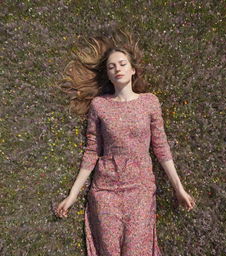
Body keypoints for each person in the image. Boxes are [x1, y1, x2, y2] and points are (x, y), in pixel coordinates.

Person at [55, 28, 196, 256]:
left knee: (135, 250)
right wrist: (72, 195)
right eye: (111, 66)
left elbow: (160, 148)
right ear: (108, 75)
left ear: (133, 70)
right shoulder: (99, 105)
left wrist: (178, 188)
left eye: (122, 64)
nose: (117, 69)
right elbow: (92, 151)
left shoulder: (150, 102)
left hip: (140, 187)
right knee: (109, 251)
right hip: (105, 188)